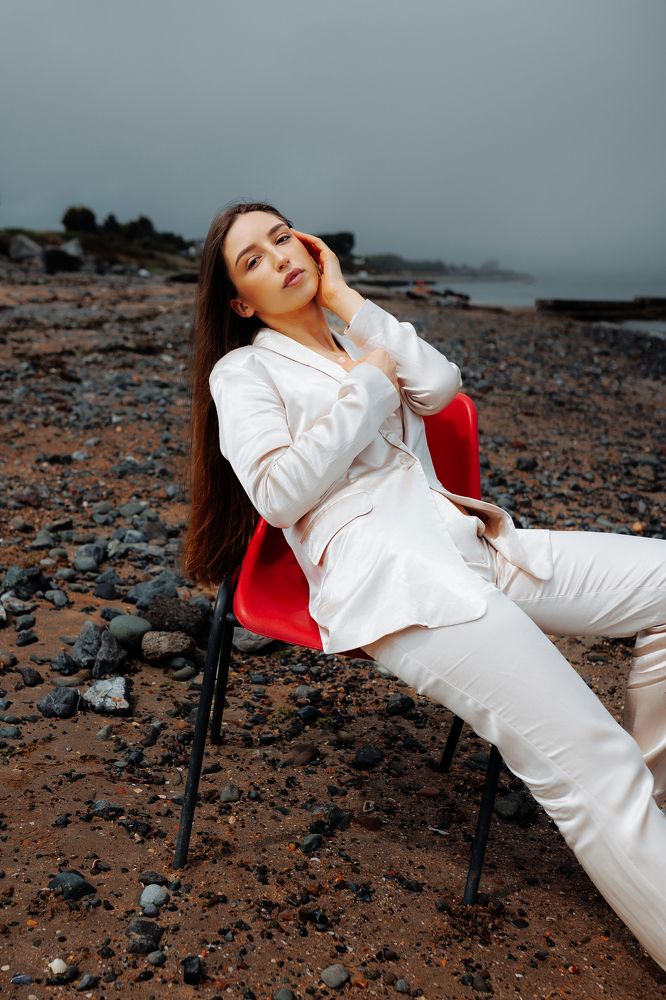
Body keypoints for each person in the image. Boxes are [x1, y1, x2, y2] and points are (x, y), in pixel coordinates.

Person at [182, 199, 666, 972]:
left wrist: (346, 298)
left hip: (472, 541)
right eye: (254, 260)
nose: (280, 258)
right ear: (240, 302)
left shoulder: (357, 335)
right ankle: (632, 829)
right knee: (590, 759)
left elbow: (441, 387)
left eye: (283, 238)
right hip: (395, 578)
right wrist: (368, 391)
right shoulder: (243, 371)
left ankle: (648, 827)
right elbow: (276, 493)